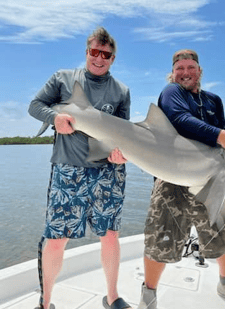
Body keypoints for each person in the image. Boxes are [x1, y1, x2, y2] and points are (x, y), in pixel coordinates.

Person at [137, 49, 225, 309]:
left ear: (200, 71)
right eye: (179, 68)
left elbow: (223, 142)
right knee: (160, 238)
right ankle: (149, 294)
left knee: (224, 233)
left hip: (213, 177)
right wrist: (221, 135)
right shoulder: (171, 93)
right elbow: (180, 119)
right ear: (173, 73)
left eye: (190, 67)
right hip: (173, 178)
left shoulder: (214, 100)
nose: (185, 73)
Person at [29, 27, 132, 309]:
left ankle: (112, 297)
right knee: (56, 238)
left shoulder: (121, 91)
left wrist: (121, 155)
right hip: (68, 169)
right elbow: (34, 105)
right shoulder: (62, 79)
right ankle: (46, 302)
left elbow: (123, 133)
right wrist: (54, 117)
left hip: (108, 173)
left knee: (110, 235)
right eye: (94, 52)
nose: (99, 58)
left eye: (106, 54)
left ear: (113, 58)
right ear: (87, 52)